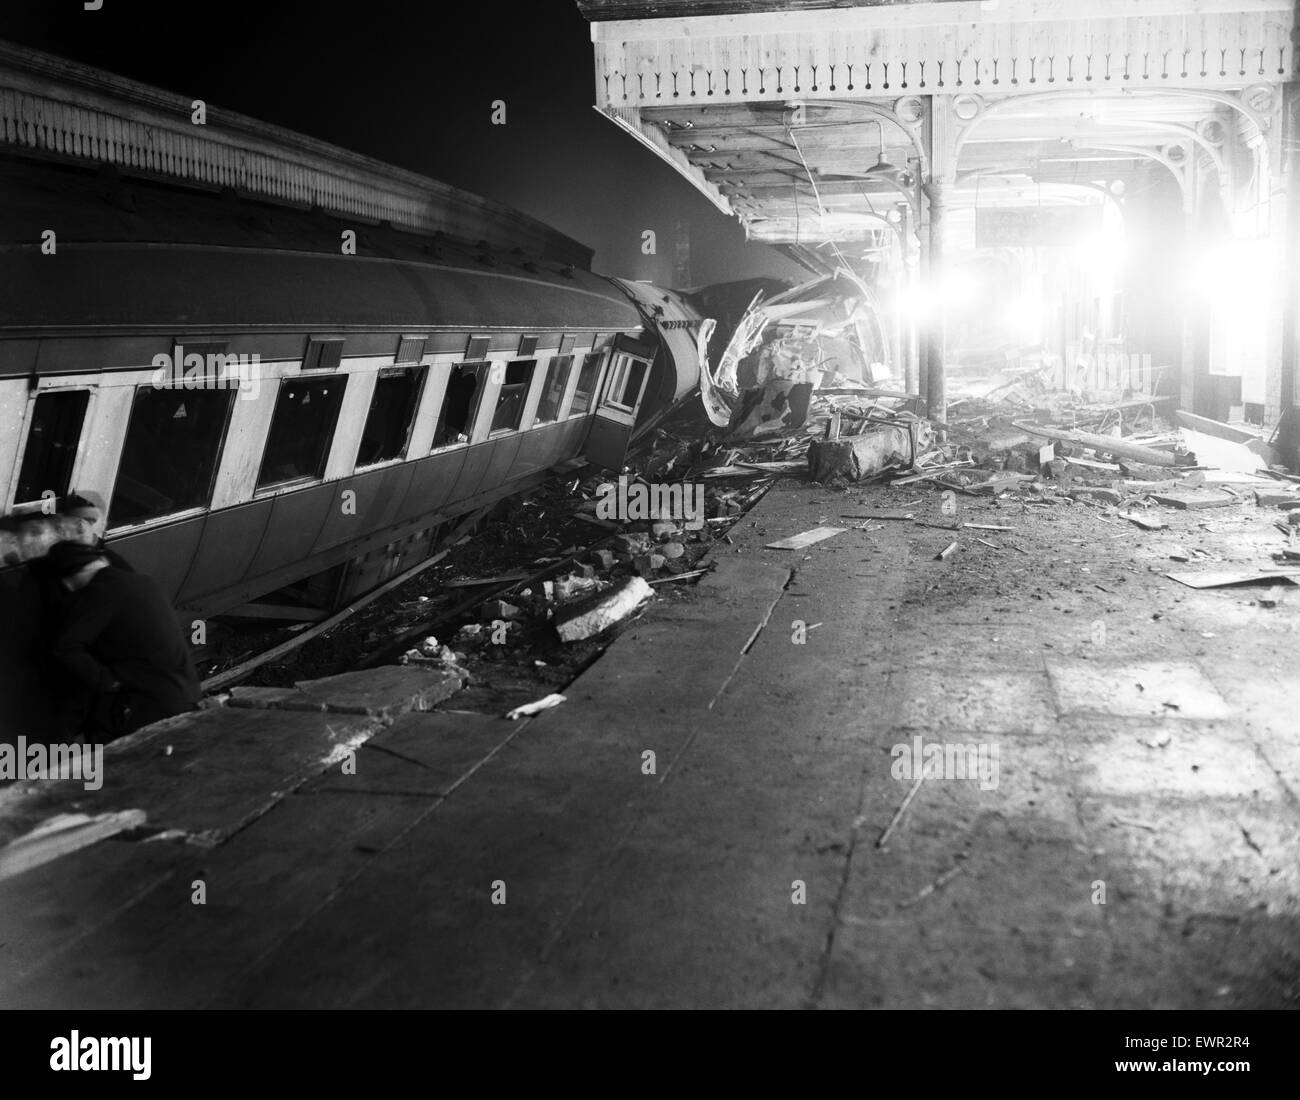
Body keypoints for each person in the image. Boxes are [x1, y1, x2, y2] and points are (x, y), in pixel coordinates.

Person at [46, 541, 200, 741]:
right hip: (183, 694)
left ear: (68, 581)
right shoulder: (145, 582)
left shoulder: (99, 593)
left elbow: (64, 647)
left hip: (143, 706)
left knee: (119, 762)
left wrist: (107, 681)